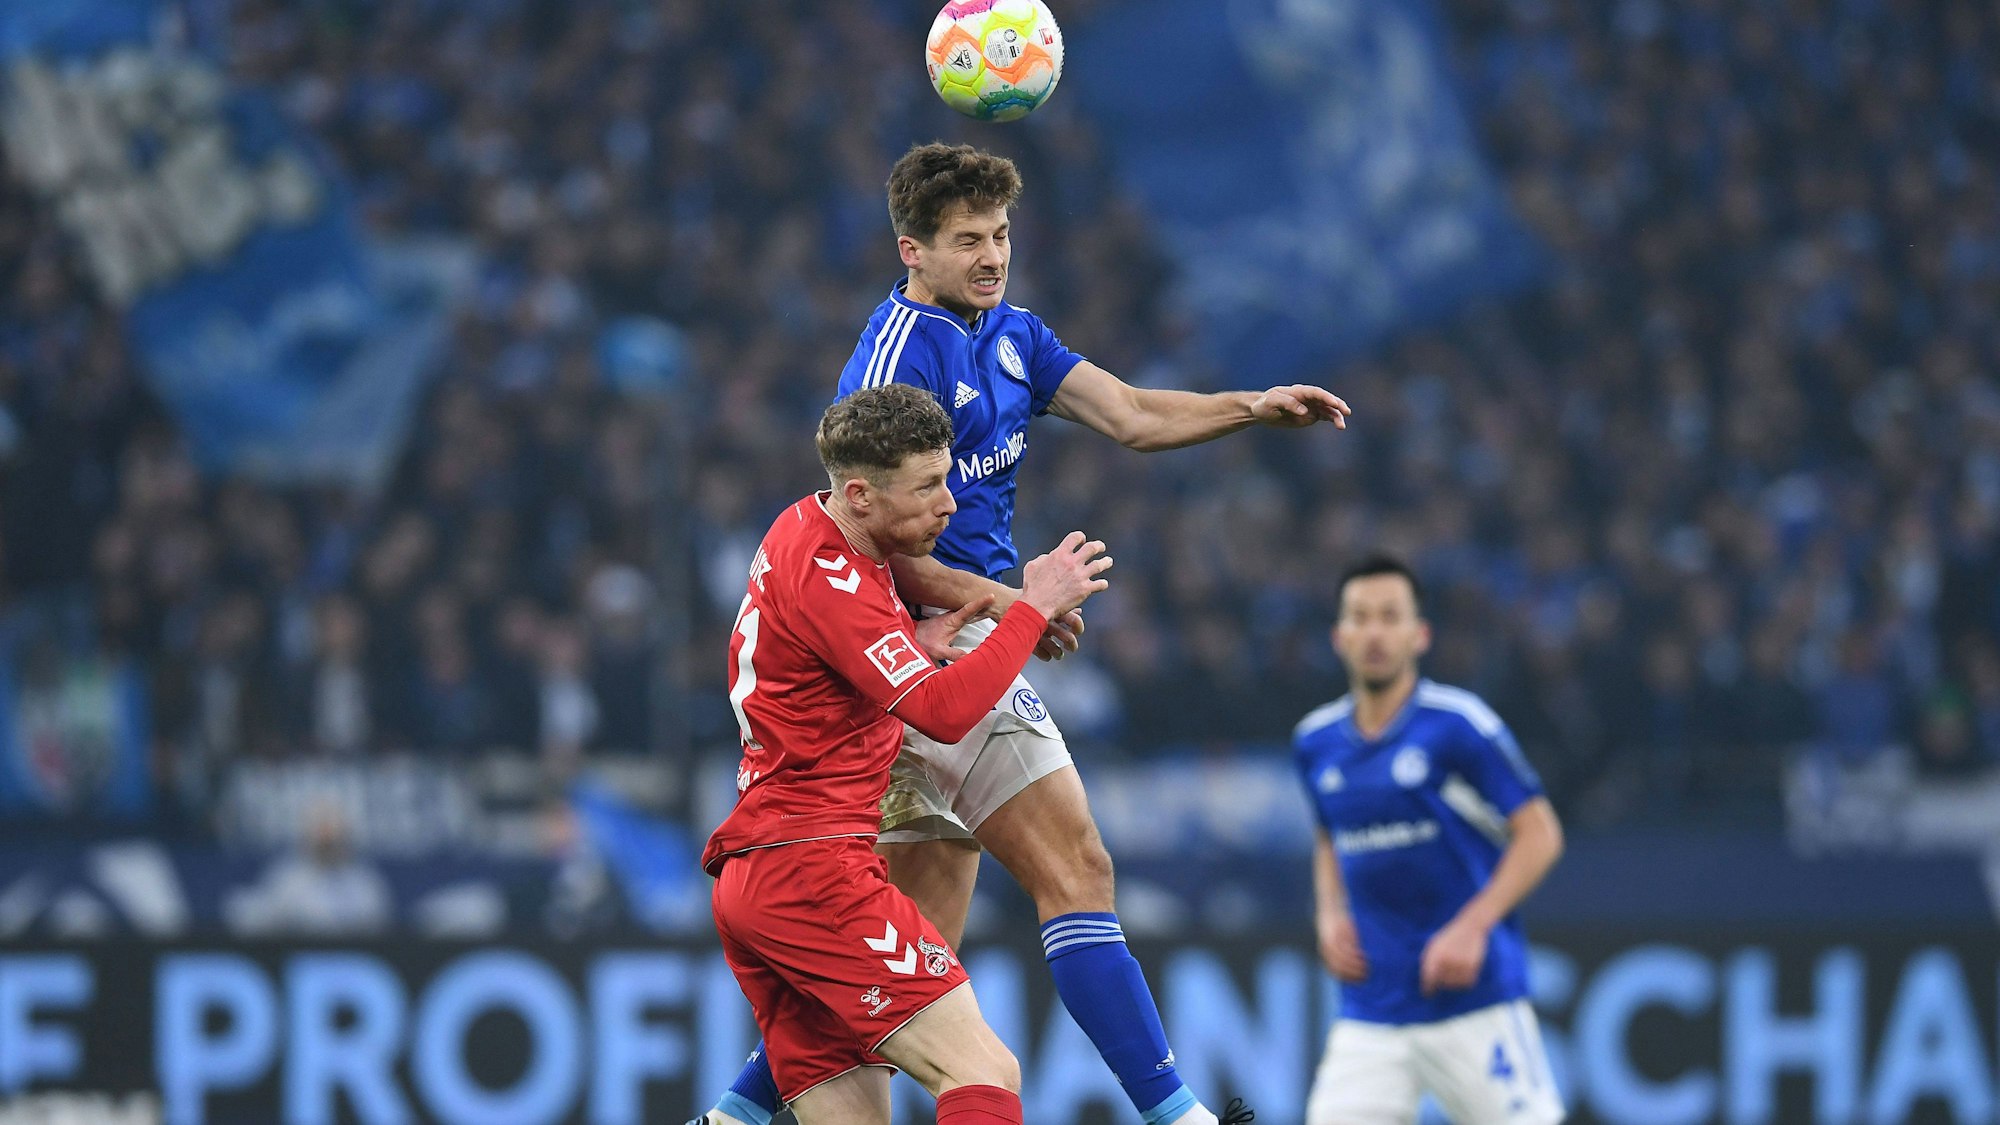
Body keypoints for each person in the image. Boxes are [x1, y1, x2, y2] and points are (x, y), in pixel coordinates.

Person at [698, 141, 1344, 1125]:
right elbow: (869, 532)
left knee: (918, 948)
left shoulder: (1012, 334)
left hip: (970, 639)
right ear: (911, 250)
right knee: (1055, 880)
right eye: (967, 241)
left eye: (1000, 234)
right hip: (908, 655)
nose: (992, 255)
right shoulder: (890, 356)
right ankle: (1176, 1115)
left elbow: (1127, 412)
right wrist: (1012, 605)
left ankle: (736, 1116)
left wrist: (1247, 408)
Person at [703, 384, 1112, 1125]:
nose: (949, 504)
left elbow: (825, 664)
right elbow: (944, 713)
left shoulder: (803, 525)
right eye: (926, 487)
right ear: (860, 494)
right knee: (985, 1072)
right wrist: (1029, 605)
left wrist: (905, 646)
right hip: (815, 869)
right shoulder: (835, 581)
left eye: (947, 478)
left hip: (759, 874)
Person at [1293, 556, 1566, 1125]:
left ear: (1419, 635)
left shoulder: (1459, 726)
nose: (1374, 632)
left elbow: (1540, 834)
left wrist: (1472, 925)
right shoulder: (1315, 742)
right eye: (1360, 617)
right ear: (1339, 636)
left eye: (1390, 617)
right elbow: (1327, 832)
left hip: (1472, 1000)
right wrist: (1328, 913)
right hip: (1371, 1009)